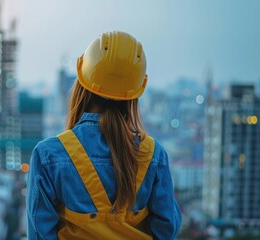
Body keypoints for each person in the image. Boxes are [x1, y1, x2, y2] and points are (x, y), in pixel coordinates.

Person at [26, 31, 182, 240]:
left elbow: (39, 233)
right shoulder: (153, 155)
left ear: (82, 84)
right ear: (135, 94)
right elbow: (166, 229)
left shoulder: (49, 156)